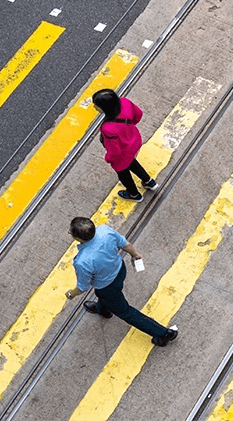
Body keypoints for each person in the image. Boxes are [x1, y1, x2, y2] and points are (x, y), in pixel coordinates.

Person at [65, 217, 177, 347]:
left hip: (107, 287)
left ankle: (163, 333)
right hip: (120, 270)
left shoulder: (81, 261)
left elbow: (83, 286)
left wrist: (71, 294)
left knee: (126, 312)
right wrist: (135, 255)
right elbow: (124, 244)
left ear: (78, 239)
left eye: (70, 232)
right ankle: (103, 309)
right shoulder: (104, 230)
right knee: (106, 297)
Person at [92, 89, 158, 202]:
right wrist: (127, 130)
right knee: (131, 161)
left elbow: (114, 152)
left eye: (96, 105)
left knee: (123, 174)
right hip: (134, 143)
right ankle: (148, 182)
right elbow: (138, 114)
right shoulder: (125, 102)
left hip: (121, 153)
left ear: (105, 108)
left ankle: (134, 195)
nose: (94, 107)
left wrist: (108, 159)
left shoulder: (108, 128)